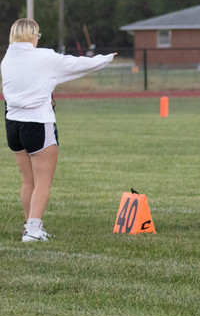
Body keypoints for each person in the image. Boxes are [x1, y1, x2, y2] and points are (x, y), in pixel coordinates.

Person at [2, 18, 116, 241]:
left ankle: (30, 227)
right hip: (37, 123)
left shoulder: (7, 58)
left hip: (12, 125)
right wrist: (107, 58)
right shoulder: (44, 56)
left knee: (28, 181)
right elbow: (78, 64)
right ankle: (33, 231)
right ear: (33, 34)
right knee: (43, 181)